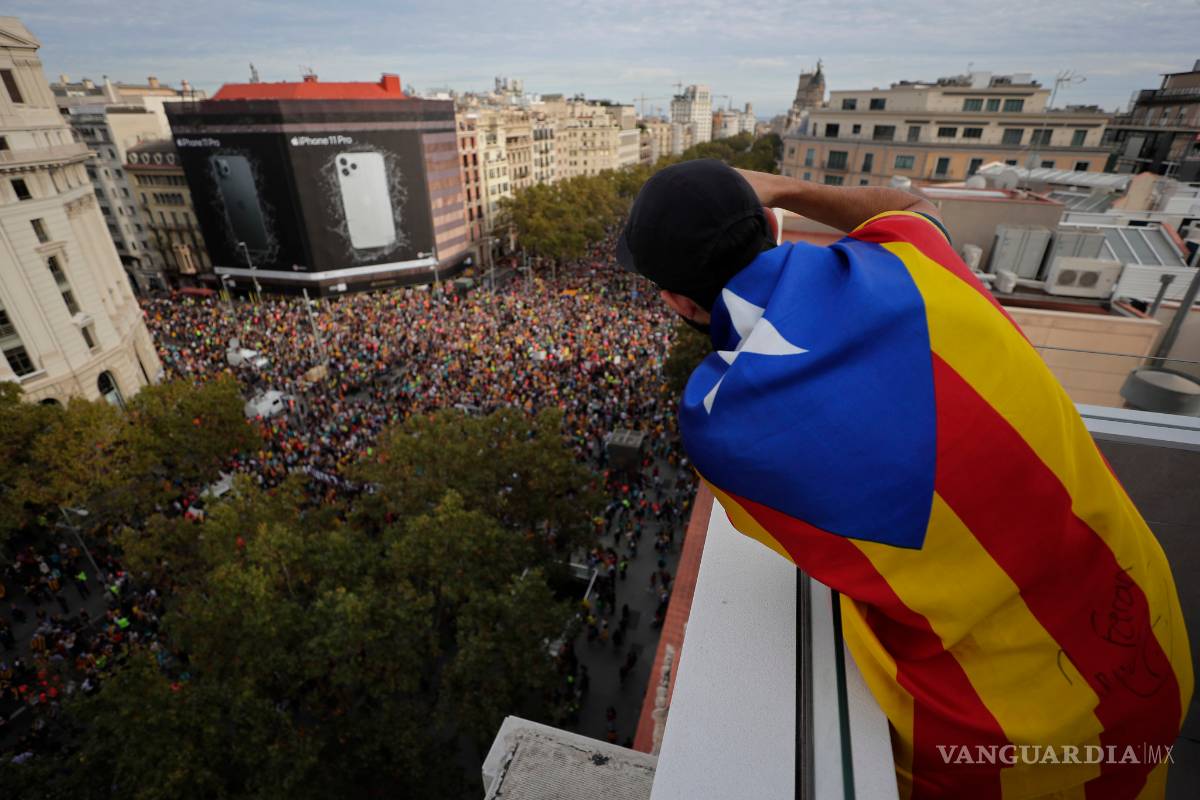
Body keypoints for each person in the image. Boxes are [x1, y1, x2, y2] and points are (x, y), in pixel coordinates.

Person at [616, 159, 1193, 799]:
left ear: (675, 300)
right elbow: (910, 203)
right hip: (1148, 630)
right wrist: (786, 187)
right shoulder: (916, 261)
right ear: (772, 224)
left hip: (1007, 738)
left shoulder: (719, 426)